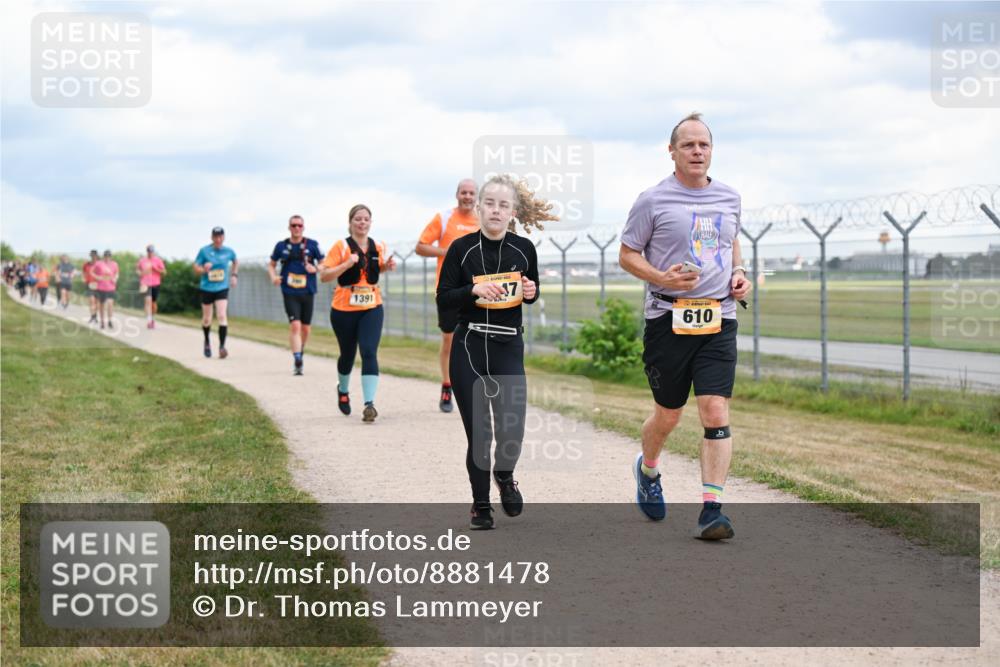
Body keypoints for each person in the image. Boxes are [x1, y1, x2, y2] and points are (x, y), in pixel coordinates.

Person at [618, 112, 752, 540]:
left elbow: (730, 239)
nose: (697, 151)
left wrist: (740, 271)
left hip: (718, 317)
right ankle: (649, 468)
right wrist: (661, 277)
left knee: (714, 410)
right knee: (668, 416)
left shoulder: (730, 197)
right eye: (688, 145)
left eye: (704, 145)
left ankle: (712, 509)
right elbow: (627, 254)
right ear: (672, 151)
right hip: (667, 319)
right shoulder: (653, 200)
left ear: (712, 151)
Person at [437, 175, 550, 530]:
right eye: (490, 203)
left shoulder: (523, 249)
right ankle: (481, 505)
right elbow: (444, 298)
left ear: (512, 211)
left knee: (511, 430)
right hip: (470, 344)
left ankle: (505, 475)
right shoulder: (461, 249)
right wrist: (473, 290)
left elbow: (530, 293)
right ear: (479, 207)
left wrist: (531, 290)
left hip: (507, 345)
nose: (496, 211)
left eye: (503, 205)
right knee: (479, 433)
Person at [320, 205, 396, 422]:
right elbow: (324, 276)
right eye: (358, 219)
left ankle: (369, 404)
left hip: (372, 306)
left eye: (366, 219)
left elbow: (374, 269)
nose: (362, 223)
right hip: (344, 309)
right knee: (347, 354)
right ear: (350, 222)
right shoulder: (341, 246)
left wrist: (385, 267)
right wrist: (347, 263)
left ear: (371, 223)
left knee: (369, 351)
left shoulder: (378, 246)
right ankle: (343, 391)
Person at [416, 179, 481, 412]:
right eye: (464, 192)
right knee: (450, 341)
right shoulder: (443, 218)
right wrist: (449, 251)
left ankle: (474, 387)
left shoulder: (482, 219)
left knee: (476, 340)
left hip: (477, 289)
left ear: (477, 196)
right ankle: (447, 385)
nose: (467, 196)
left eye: (472, 193)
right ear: (457, 195)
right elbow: (421, 246)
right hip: (449, 289)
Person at [268, 215, 324, 376]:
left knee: (306, 328)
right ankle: (297, 358)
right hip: (289, 291)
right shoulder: (281, 246)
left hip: (308, 291)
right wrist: (273, 277)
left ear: (303, 227)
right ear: (289, 227)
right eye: (293, 225)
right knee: (295, 326)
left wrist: (316, 269)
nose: (296, 228)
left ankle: (301, 348)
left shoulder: (312, 245)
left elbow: (324, 263)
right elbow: (271, 265)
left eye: (299, 225)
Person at [194, 227, 238, 358]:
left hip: (222, 288)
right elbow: (195, 268)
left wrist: (234, 275)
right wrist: (203, 269)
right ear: (212, 237)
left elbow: (235, 261)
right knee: (207, 319)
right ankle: (207, 341)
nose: (218, 239)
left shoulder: (229, 251)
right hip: (207, 288)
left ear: (223, 237)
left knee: (222, 315)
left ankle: (222, 347)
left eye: (220, 237)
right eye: (215, 237)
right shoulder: (204, 251)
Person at [137, 245, 167, 328]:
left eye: (151, 252)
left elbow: (164, 272)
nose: (150, 253)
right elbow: (138, 270)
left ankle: (153, 318)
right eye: (149, 252)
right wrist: (140, 273)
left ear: (153, 252)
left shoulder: (158, 260)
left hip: (155, 283)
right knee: (147, 301)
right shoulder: (142, 260)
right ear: (147, 252)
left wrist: (155, 269)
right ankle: (149, 320)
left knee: (153, 303)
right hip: (145, 283)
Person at [92, 250, 120, 329]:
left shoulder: (114, 264)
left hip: (111, 287)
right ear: (104, 256)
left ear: (111, 257)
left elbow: (117, 273)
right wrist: (98, 277)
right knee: (102, 305)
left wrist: (116, 278)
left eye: (109, 256)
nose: (107, 258)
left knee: (110, 304)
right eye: (106, 256)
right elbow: (92, 272)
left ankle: (110, 320)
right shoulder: (98, 263)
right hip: (101, 287)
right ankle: (102, 322)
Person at [82, 250, 100, 323]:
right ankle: (92, 316)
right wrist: (83, 278)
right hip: (90, 285)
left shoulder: (100, 264)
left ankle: (95, 315)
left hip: (99, 285)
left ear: (96, 256)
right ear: (91, 256)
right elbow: (83, 272)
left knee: (97, 302)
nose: (93, 257)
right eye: (92, 255)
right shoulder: (86, 264)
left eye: (94, 255)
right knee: (92, 301)